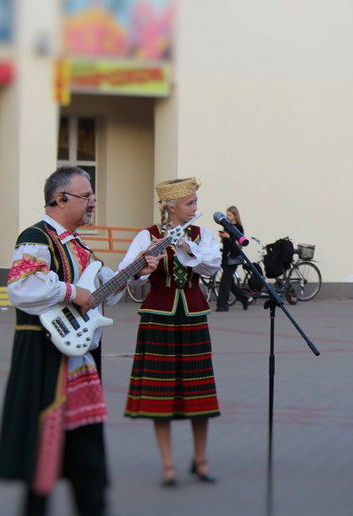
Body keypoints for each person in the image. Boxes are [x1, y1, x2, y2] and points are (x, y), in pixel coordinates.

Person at [0, 166, 160, 516]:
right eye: (87, 196)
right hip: (44, 357)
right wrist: (73, 291)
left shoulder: (81, 247)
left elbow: (104, 293)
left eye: (92, 197)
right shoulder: (36, 236)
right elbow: (22, 287)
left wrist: (139, 271)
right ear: (60, 198)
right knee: (41, 451)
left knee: (85, 449)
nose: (92, 203)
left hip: (79, 359)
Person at [120, 177, 222, 487]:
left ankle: (200, 460)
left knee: (199, 391)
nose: (195, 208)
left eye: (194, 202)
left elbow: (211, 267)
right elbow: (127, 275)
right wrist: (143, 264)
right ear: (171, 207)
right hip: (158, 318)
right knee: (159, 392)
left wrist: (187, 248)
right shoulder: (147, 235)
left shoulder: (203, 235)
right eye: (189, 203)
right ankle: (168, 464)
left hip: (192, 316)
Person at [215, 205, 251, 312]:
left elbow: (238, 243)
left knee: (225, 282)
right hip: (226, 256)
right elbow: (225, 243)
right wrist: (222, 237)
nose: (227, 217)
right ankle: (244, 298)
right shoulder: (226, 226)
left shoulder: (238, 228)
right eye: (227, 215)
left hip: (233, 257)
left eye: (229, 215)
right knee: (229, 282)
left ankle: (222, 304)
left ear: (235, 215)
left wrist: (228, 237)